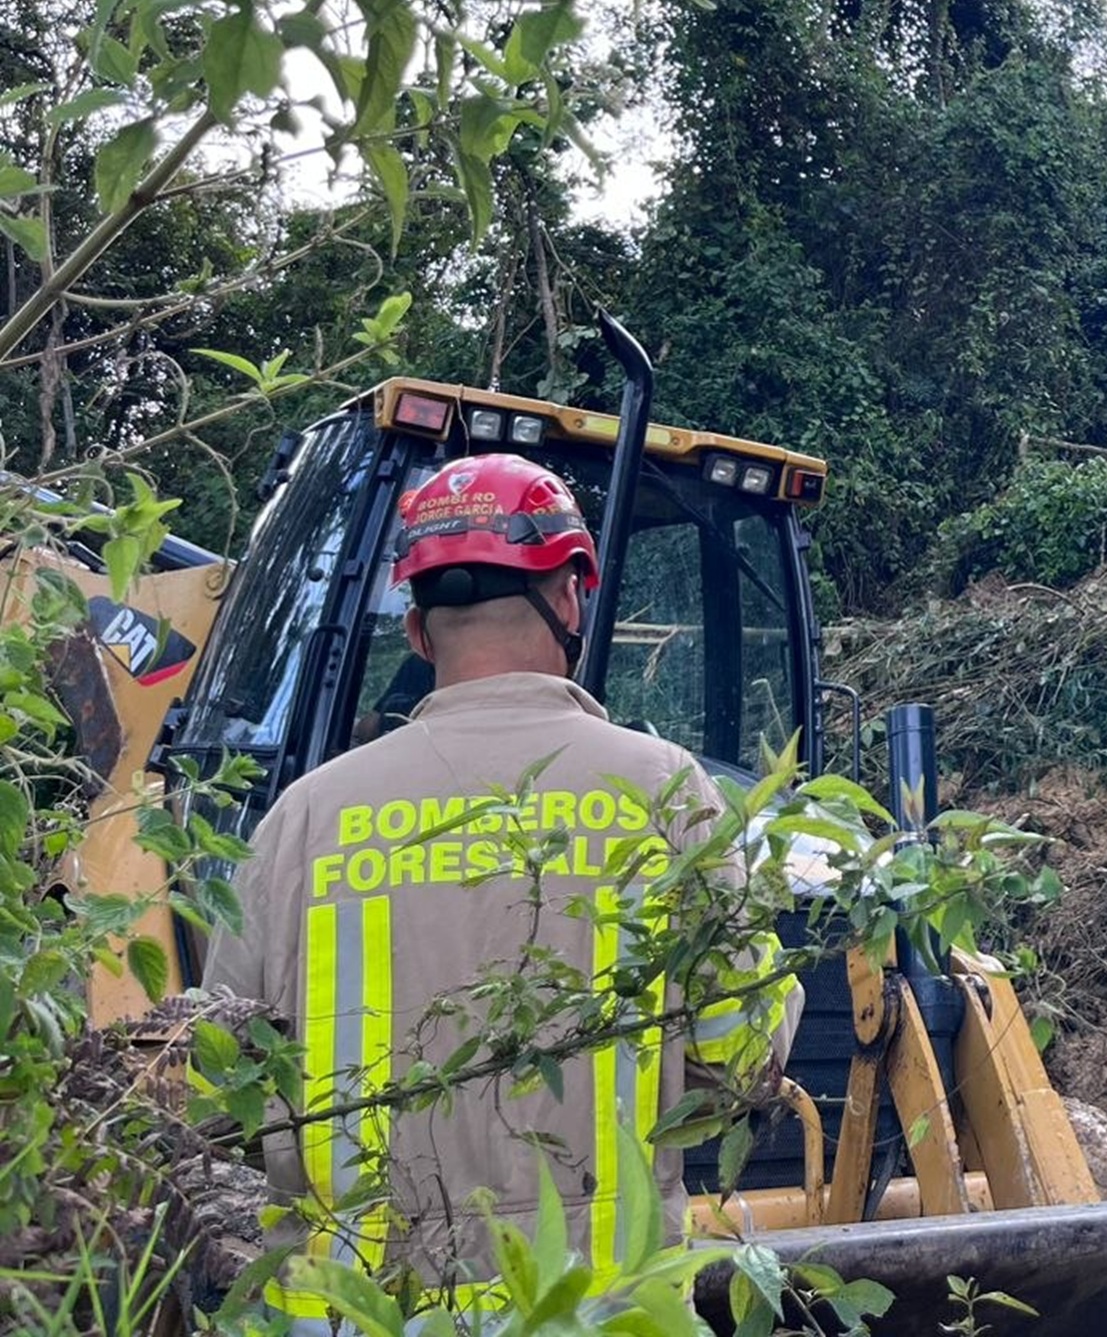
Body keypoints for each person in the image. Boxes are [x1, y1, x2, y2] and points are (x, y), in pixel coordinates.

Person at [203, 453, 802, 1319]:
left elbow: (222, 1104)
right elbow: (744, 1058)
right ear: (571, 601)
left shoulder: (300, 821)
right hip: (596, 1312)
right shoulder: (664, 794)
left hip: (354, 1314)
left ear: (416, 631)